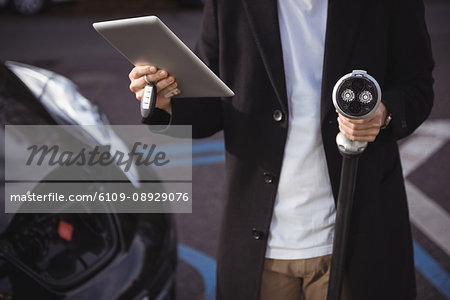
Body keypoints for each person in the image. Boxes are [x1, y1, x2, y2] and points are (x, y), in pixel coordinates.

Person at [128, 0, 434, 299]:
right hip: (260, 245)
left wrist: (384, 114)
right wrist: (164, 101)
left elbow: (416, 82)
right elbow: (211, 106)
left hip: (358, 236)